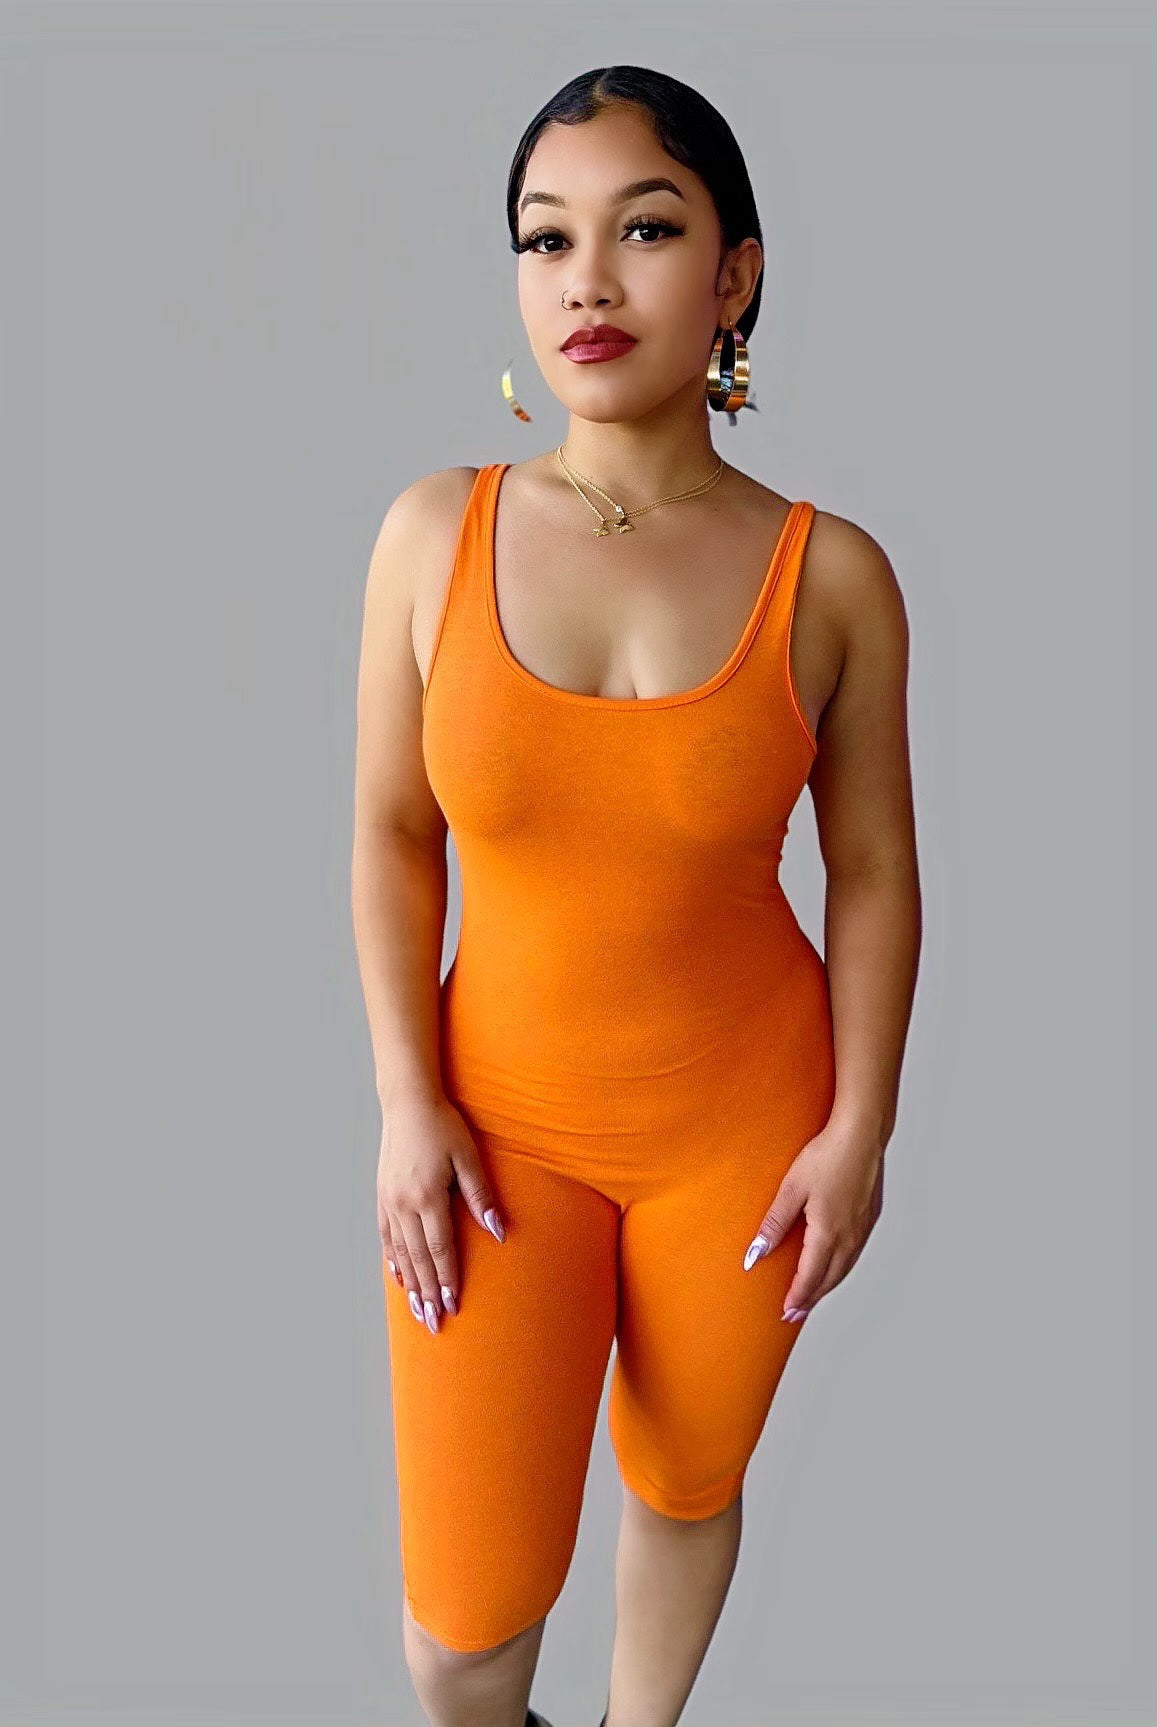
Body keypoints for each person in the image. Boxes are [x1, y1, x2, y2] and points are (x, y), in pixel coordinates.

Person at [350, 63, 921, 1727]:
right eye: (545, 240)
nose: (585, 281)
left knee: (683, 1479)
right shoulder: (431, 534)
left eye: (645, 230)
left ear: (734, 274)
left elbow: (872, 870)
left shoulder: (830, 574)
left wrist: (860, 1128)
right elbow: (389, 829)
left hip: (745, 1130)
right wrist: (405, 1104)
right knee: (462, 1634)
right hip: (493, 1137)